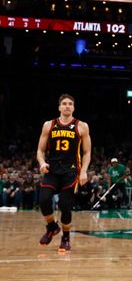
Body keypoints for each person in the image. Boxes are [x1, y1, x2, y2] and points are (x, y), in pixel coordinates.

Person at [36, 94, 92, 252]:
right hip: (52, 169)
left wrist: (84, 172)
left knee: (65, 205)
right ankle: (52, 227)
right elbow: (40, 150)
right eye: (64, 103)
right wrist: (42, 163)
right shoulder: (49, 125)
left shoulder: (82, 126)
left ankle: (66, 237)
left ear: (73, 107)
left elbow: (87, 152)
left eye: (70, 104)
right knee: (44, 200)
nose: (67, 106)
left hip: (71, 170)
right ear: (59, 107)